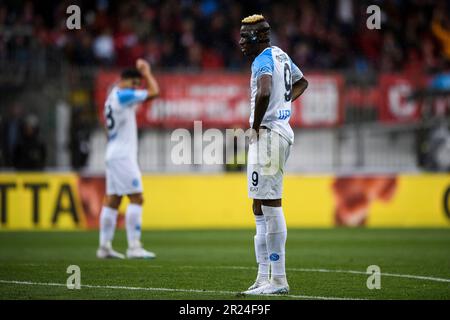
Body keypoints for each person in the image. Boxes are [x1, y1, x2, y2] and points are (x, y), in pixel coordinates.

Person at [239, 14, 308, 295]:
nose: (241, 41)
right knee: (258, 205)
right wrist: (284, 103)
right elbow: (303, 82)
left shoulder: (263, 60)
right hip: (275, 133)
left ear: (258, 38)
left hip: (268, 134)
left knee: (270, 204)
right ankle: (262, 276)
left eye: (246, 36)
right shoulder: (280, 55)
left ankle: (278, 279)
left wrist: (254, 127)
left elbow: (265, 90)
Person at [96, 58, 159, 259]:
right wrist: (147, 72)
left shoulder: (111, 96)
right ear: (126, 81)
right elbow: (154, 92)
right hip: (123, 156)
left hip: (113, 153)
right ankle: (134, 247)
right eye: (135, 84)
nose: (136, 88)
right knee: (137, 197)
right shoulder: (123, 95)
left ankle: (104, 247)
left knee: (113, 200)